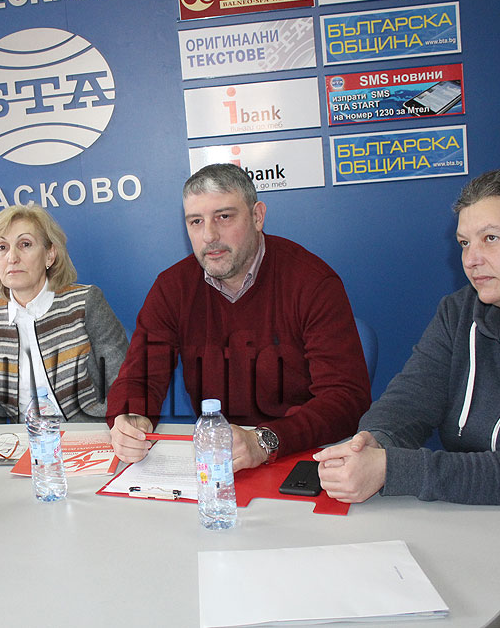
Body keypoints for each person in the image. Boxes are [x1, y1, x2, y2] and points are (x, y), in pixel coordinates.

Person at [315, 165, 500, 627]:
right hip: (471, 518)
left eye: (491, 238)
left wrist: (394, 469)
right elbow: (405, 405)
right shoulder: (459, 313)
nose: (472, 259)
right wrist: (373, 443)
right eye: (464, 243)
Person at [107, 163, 371, 470]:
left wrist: (264, 441)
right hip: (219, 462)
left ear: (257, 216)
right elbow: (140, 377)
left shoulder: (312, 282)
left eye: (224, 217)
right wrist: (131, 417)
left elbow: (345, 398)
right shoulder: (172, 288)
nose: (209, 235)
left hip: (302, 454)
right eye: (196, 221)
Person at [0, 205, 128, 423]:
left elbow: (123, 381)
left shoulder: (84, 303)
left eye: (25, 244)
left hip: (91, 433)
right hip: (25, 439)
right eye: (2, 247)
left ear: (50, 255)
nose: (12, 257)